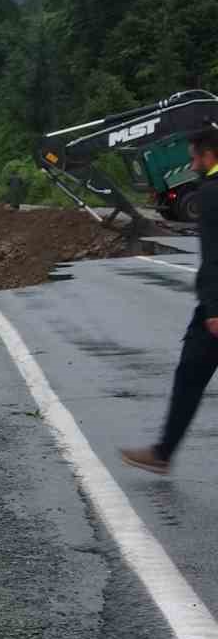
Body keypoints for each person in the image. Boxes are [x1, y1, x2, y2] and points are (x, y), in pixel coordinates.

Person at [121, 128, 218, 474]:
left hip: (214, 308)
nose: (192, 164)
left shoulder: (210, 193)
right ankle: (162, 452)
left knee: (190, 378)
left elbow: (214, 255)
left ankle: (162, 453)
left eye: (195, 157)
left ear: (210, 156)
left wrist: (214, 308)